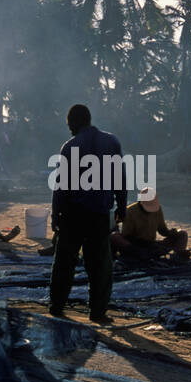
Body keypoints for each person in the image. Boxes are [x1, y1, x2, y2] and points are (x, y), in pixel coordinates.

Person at [49, 104, 126, 324]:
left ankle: (56, 306)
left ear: (74, 122)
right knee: (100, 264)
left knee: (64, 262)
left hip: (72, 215)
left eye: (69, 124)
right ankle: (98, 312)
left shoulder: (70, 146)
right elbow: (119, 177)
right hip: (99, 215)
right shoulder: (112, 142)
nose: (69, 128)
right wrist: (122, 206)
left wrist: (55, 216)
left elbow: (60, 187)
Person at [112, 185, 189, 261]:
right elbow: (127, 236)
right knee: (114, 237)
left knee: (182, 234)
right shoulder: (130, 211)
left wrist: (171, 233)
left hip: (151, 246)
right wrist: (139, 248)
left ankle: (178, 257)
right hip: (135, 247)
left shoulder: (157, 209)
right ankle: (140, 256)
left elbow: (162, 230)